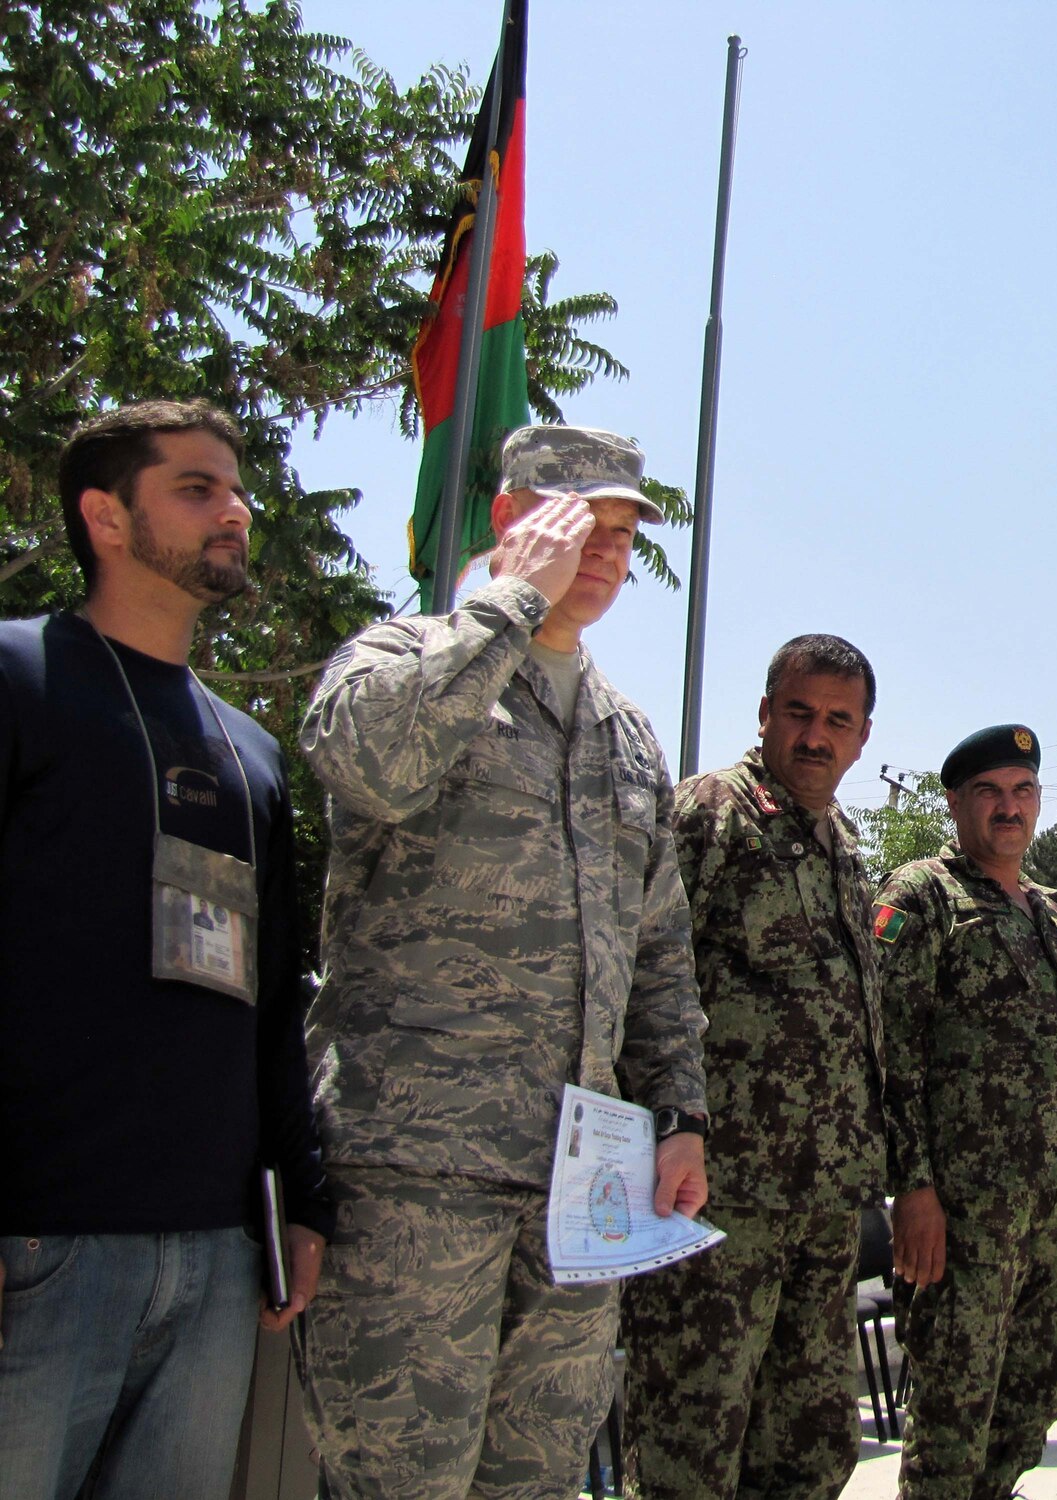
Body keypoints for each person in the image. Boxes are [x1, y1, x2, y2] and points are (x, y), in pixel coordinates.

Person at [295, 425, 708, 1500]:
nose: (607, 552)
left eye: (624, 532)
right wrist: (510, 603)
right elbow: (367, 760)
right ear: (509, 519)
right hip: (418, 1178)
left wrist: (681, 1114)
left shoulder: (625, 733)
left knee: (536, 1483)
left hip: (581, 1192)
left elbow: (658, 951)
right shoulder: (408, 657)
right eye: (583, 523)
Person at [0, 400, 330, 1498]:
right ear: (105, 516)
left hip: (215, 1260)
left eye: (237, 489)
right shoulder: (18, 679)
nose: (236, 511)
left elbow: (276, 998)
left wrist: (302, 1202)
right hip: (37, 1246)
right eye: (196, 488)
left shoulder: (253, 754)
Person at [621, 634, 886, 1500]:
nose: (817, 736)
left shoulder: (843, 844)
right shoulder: (708, 815)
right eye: (801, 713)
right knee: (691, 1445)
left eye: (838, 721)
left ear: (863, 737)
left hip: (824, 1205)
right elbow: (643, 977)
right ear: (766, 713)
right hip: (715, 1204)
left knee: (812, 1449)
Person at [874, 724, 1057, 1500]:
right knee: (952, 1423)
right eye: (990, 792)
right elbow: (891, 1050)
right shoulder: (921, 897)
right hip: (964, 1220)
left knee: (1030, 1409)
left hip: (1052, 1218)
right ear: (955, 802)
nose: (1010, 808)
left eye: (1023, 791)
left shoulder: (1051, 915)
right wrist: (913, 1189)